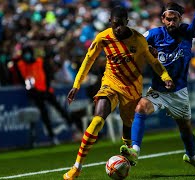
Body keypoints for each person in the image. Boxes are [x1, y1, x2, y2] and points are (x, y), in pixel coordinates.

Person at [63, 6, 174, 180]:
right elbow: (88, 60)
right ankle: (77, 167)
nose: (118, 28)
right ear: (110, 23)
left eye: (121, 24)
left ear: (127, 22)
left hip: (132, 89)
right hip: (110, 84)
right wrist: (76, 85)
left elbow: (154, 62)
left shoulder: (138, 40)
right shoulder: (103, 38)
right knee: (98, 119)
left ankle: (128, 157)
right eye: (115, 25)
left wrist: (165, 76)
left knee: (127, 127)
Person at [119, 2, 195, 174]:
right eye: (168, 19)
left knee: (186, 129)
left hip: (179, 93)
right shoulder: (153, 35)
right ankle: (135, 151)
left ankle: (191, 157)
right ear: (163, 19)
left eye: (174, 19)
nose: (171, 23)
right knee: (141, 107)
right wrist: (143, 51)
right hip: (158, 90)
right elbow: (135, 46)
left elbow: (193, 31)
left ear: (179, 19)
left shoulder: (185, 32)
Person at [17, 44, 80, 144]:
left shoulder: (40, 61)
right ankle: (52, 136)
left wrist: (46, 88)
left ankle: (72, 126)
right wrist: (31, 90)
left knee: (59, 108)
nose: (27, 56)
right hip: (35, 93)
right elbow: (24, 78)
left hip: (46, 90)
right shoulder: (21, 64)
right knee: (44, 114)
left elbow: (47, 75)